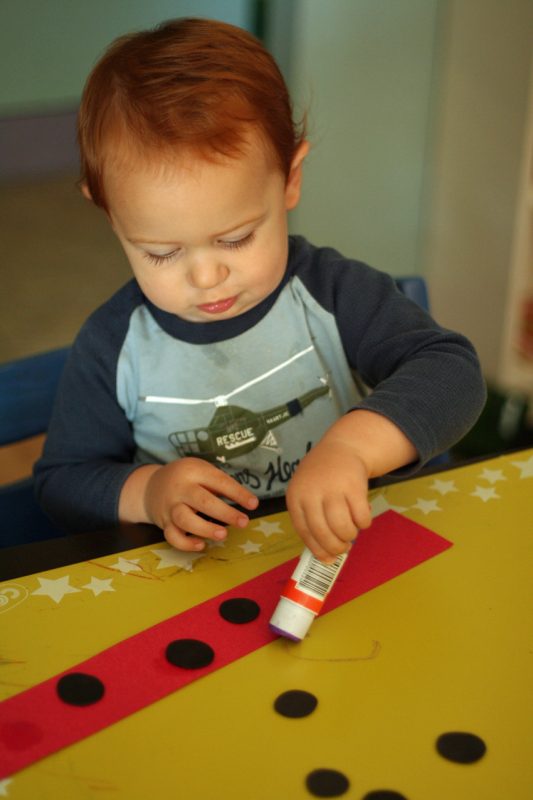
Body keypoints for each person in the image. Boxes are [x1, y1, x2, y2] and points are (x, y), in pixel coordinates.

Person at [34, 17, 486, 563]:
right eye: (161, 252)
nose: (205, 277)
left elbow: (452, 373)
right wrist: (151, 492)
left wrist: (351, 448)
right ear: (108, 213)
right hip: (196, 584)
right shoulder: (115, 346)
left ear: (290, 179)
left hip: (354, 556)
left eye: (237, 237)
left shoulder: (330, 293)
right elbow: (63, 484)